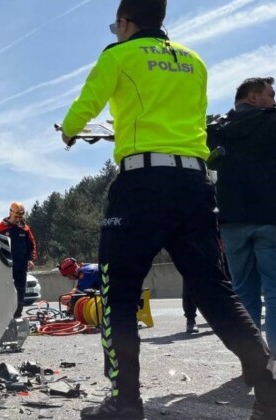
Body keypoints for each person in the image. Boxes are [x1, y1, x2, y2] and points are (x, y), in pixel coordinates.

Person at [58, 1, 276, 419]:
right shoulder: (194, 61)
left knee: (117, 291)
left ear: (125, 22)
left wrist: (70, 131)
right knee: (215, 288)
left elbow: (82, 109)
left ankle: (125, 402)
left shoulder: (117, 55)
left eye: (115, 25)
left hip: (141, 185)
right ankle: (268, 387)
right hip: (194, 185)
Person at [207, 76, 276, 353]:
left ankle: (251, 358)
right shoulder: (272, 122)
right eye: (270, 95)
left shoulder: (216, 129)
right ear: (253, 97)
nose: (274, 100)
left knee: (243, 292)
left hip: (231, 220)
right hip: (270, 218)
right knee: (273, 292)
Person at [0, 201, 37, 319]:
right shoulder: (0, 227)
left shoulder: (25, 228)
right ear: (11, 213)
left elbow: (31, 244)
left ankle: (17, 314)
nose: (18, 219)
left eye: (20, 216)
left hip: (21, 265)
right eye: (16, 216)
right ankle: (3, 316)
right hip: (5, 265)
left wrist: (31, 259)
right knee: (4, 290)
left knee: (20, 290)